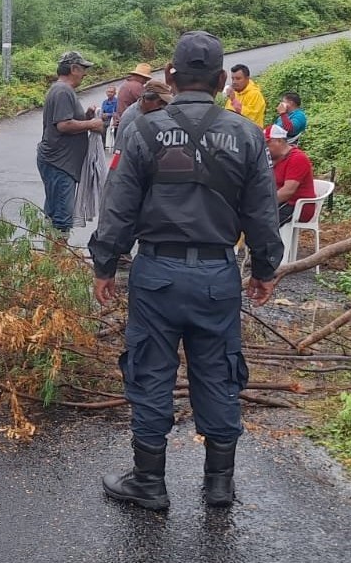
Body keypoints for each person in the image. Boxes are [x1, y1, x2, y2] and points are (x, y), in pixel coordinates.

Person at [88, 30, 283, 511]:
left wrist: (105, 264)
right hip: (217, 277)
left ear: (171, 76)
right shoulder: (246, 135)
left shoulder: (142, 130)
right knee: (218, 374)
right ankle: (219, 484)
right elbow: (261, 210)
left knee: (151, 372)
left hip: (157, 274)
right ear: (222, 80)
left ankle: (149, 484)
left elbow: (119, 207)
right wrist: (264, 268)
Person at [37, 51, 104, 234]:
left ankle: (50, 255)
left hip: (58, 162)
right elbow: (64, 125)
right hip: (59, 163)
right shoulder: (62, 91)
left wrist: (85, 117)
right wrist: (91, 124)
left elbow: (66, 120)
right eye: (83, 69)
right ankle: (58, 258)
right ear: (73, 69)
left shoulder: (62, 90)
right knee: (61, 217)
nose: (85, 74)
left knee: (54, 212)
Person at [109, 79, 173, 171]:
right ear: (146, 100)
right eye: (161, 103)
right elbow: (120, 150)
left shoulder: (152, 112)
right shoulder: (132, 116)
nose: (164, 106)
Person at [266, 124, 316, 224]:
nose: (265, 147)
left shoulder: (297, 158)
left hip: (297, 205)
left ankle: (266, 239)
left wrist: (264, 203)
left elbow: (287, 191)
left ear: (279, 141)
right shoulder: (274, 158)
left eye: (268, 143)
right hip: (283, 202)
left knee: (262, 219)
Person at [224, 63, 266, 127]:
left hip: (251, 133)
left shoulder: (255, 94)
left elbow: (250, 117)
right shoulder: (234, 93)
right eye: (233, 79)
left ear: (247, 79)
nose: (234, 82)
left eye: (238, 79)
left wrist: (233, 100)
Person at [113, 62, 152, 126]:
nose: (146, 82)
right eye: (145, 79)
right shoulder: (137, 86)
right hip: (130, 122)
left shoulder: (125, 84)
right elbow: (147, 103)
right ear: (141, 77)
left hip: (121, 119)